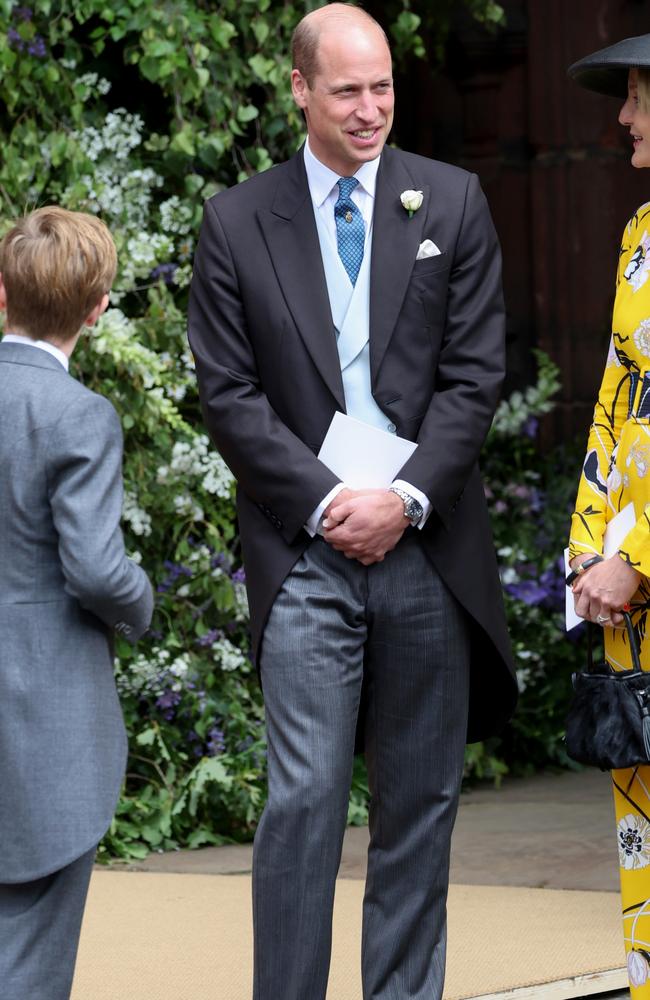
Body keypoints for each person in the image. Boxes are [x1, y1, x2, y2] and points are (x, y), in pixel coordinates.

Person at [188, 5, 517, 998]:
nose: (371, 108)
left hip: (427, 549)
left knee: (419, 808)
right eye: (346, 90)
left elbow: (472, 379)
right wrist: (333, 502)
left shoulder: (449, 202)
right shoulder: (236, 220)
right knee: (302, 804)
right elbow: (229, 395)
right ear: (299, 88)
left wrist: (405, 496)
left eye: (380, 87)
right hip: (305, 555)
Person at [0, 206, 153, 1000]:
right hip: (44, 721)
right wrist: (143, 604)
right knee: (28, 959)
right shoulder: (79, 416)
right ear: (98, 308)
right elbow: (95, 571)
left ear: (0, 292)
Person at [568, 33, 650, 998]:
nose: (623, 116)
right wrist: (592, 552)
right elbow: (614, 404)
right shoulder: (640, 231)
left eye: (635, 96)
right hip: (627, 601)